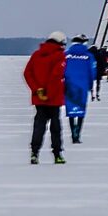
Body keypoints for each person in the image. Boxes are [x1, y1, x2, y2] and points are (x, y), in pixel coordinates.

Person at [24, 32, 68, 164]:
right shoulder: (60, 56)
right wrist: (48, 94)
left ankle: (34, 153)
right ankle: (57, 154)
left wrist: (37, 89)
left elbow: (28, 73)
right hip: (53, 99)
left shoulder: (36, 55)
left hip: (39, 99)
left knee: (39, 126)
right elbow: (55, 77)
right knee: (55, 128)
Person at [64, 35, 97, 143]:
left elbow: (60, 70)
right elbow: (92, 72)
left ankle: (73, 132)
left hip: (69, 85)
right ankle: (77, 133)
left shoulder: (65, 55)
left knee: (71, 110)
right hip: (83, 85)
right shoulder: (88, 56)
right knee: (81, 110)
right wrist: (91, 86)